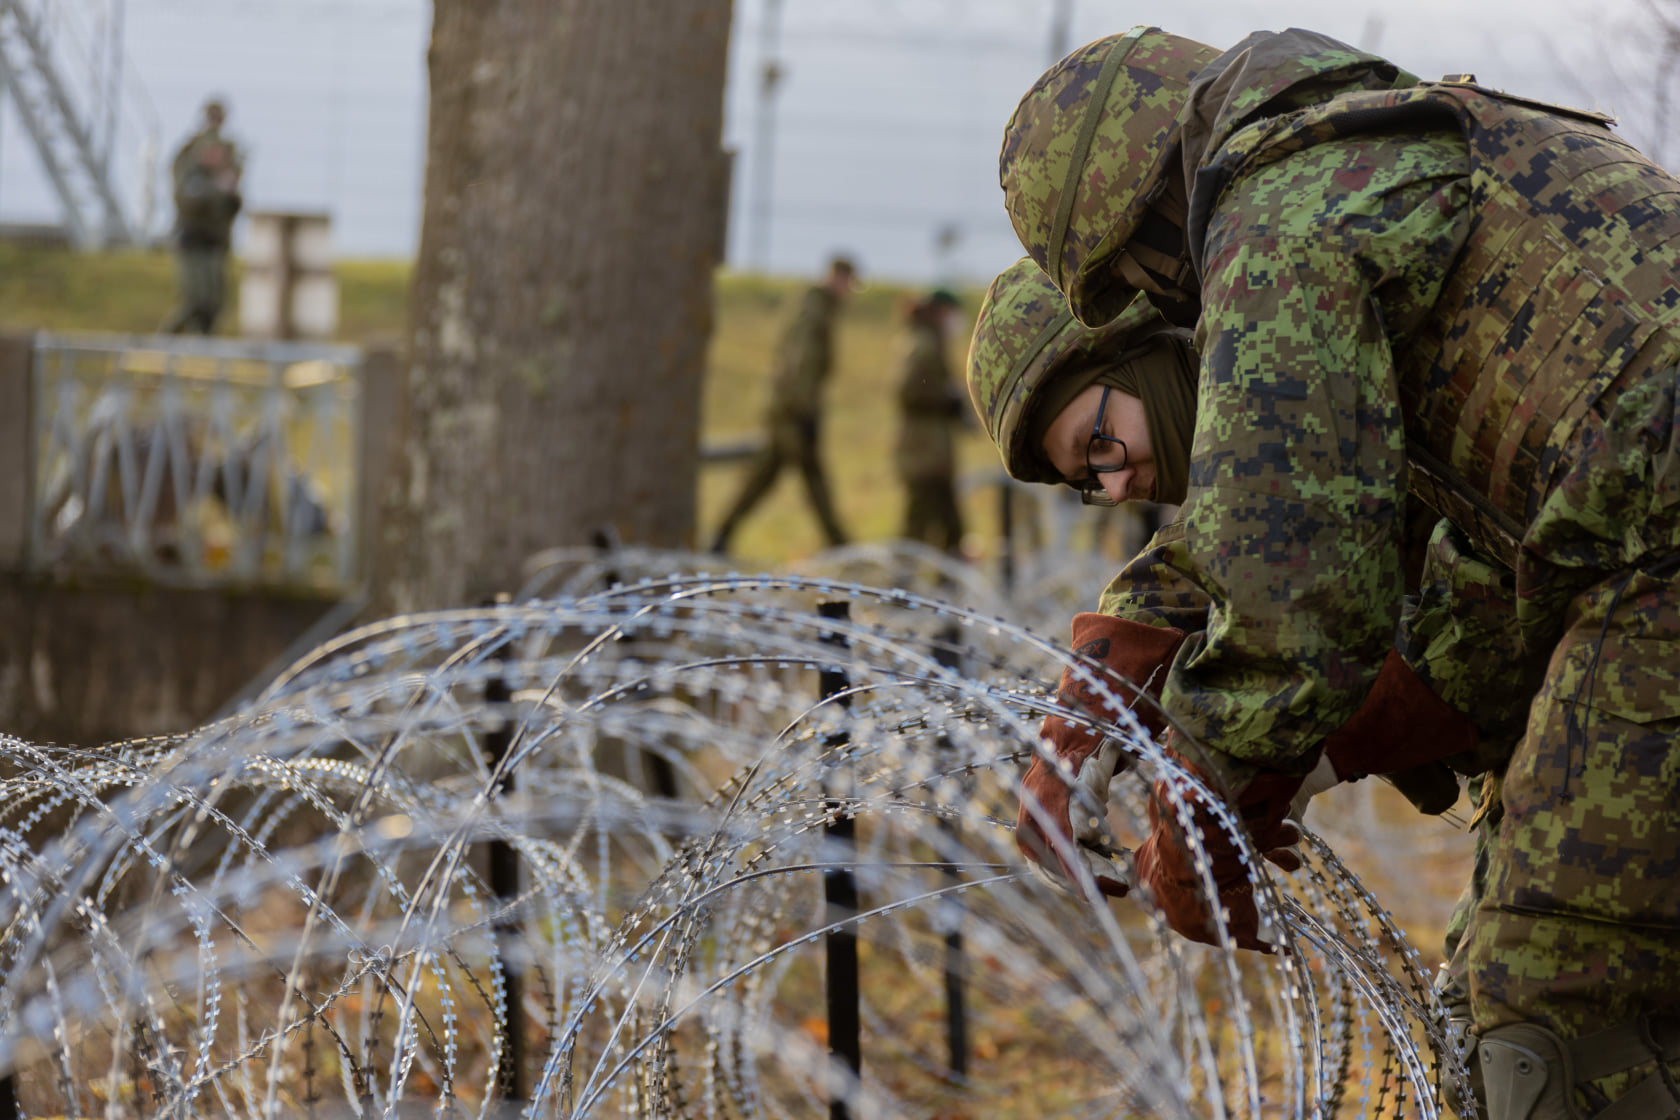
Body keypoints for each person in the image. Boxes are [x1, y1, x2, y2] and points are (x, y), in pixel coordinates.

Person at [986, 25, 1680, 1115]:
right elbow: (1354, 494)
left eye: (1102, 450)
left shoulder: (1279, 225)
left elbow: (1297, 586)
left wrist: (1204, 799)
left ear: (1145, 234)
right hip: (1644, 548)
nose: (1177, 313)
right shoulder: (1380, 155)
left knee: (1553, 989)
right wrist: (1131, 640)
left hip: (1661, 557)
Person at [709, 255, 857, 553]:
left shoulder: (819, 308)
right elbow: (799, 362)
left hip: (789, 409)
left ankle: (721, 537)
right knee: (814, 481)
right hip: (793, 412)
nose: (849, 290)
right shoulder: (816, 310)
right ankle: (841, 547)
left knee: (762, 478)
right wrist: (802, 410)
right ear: (837, 278)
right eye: (848, 283)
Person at [893, 288, 967, 553]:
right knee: (919, 524)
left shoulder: (932, 342)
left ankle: (943, 583)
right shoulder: (923, 345)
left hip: (933, 453)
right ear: (939, 312)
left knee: (950, 526)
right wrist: (946, 400)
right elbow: (909, 391)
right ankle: (902, 584)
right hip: (922, 453)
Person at [163, 98, 243, 335]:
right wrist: (216, 189)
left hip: (215, 240)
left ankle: (202, 345)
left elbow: (232, 207)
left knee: (214, 303)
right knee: (194, 301)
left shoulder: (230, 151)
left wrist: (230, 194)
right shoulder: (190, 158)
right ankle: (165, 341)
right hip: (192, 239)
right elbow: (187, 200)